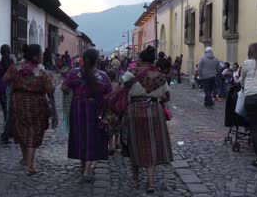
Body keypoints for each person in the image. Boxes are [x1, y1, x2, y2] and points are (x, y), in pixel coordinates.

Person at [121, 45, 173, 193]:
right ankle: (150, 182)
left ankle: (136, 179)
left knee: (135, 144)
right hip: (154, 111)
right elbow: (166, 96)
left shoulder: (130, 73)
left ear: (140, 59)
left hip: (135, 110)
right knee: (152, 145)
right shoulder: (160, 76)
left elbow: (122, 88)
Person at [3, 44, 58, 175]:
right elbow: (50, 90)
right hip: (36, 103)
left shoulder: (15, 67)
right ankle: (30, 166)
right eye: (40, 54)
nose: (42, 57)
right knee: (34, 130)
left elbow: (5, 79)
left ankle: (24, 159)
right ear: (35, 56)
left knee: (21, 128)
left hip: (18, 102)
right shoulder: (43, 73)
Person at [62, 48, 112, 183]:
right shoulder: (103, 76)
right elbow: (109, 94)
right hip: (95, 110)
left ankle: (83, 166)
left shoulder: (73, 73)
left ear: (83, 60)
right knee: (93, 137)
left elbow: (64, 88)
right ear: (97, 61)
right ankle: (88, 168)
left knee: (80, 135)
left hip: (77, 109)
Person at [105, 69, 121, 156]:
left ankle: (111, 145)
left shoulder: (106, 85)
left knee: (109, 127)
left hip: (109, 109)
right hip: (118, 108)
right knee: (118, 125)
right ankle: (117, 142)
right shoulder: (119, 85)